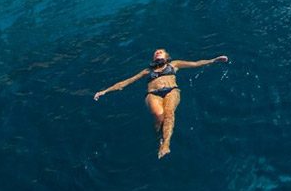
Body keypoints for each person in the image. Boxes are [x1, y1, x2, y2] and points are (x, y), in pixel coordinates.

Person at [94, 48, 228, 158]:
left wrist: (214, 60)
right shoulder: (147, 71)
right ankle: (159, 136)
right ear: (153, 58)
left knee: (169, 113)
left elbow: (196, 63)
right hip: (153, 94)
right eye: (156, 52)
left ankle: (166, 144)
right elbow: (127, 81)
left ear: (167, 55)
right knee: (159, 115)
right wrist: (105, 91)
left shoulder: (174, 64)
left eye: (161, 51)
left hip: (171, 91)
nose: (158, 52)